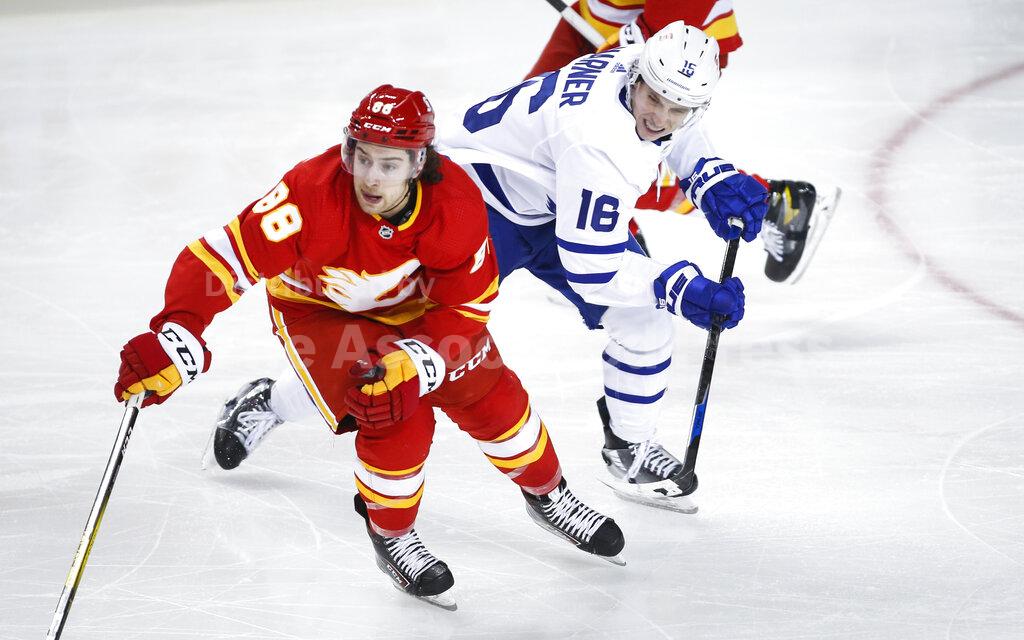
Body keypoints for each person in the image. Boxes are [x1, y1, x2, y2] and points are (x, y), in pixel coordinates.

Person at [113, 84, 625, 610]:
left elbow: (467, 308)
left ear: (418, 163)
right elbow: (222, 257)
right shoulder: (308, 194)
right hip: (322, 312)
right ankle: (393, 534)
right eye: (363, 158)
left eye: (388, 164)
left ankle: (548, 494)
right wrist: (178, 327)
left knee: (490, 395)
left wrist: (424, 356)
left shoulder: (457, 204)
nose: (371, 177)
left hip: (421, 313)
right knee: (391, 409)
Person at [214, 23, 759, 514]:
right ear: (638, 77)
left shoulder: (633, 69)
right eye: (653, 98)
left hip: (547, 196)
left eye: (677, 107)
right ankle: (271, 402)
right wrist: (680, 287)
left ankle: (629, 447)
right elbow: (591, 267)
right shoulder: (599, 145)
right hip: (475, 207)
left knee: (642, 322)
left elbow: (674, 122)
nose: (658, 115)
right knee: (405, 343)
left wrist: (711, 175)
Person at [529, 0, 841, 284]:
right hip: (604, 16)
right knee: (538, 124)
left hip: (674, 37)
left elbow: (674, 22)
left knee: (608, 158)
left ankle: (774, 204)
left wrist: (618, 60)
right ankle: (615, 246)